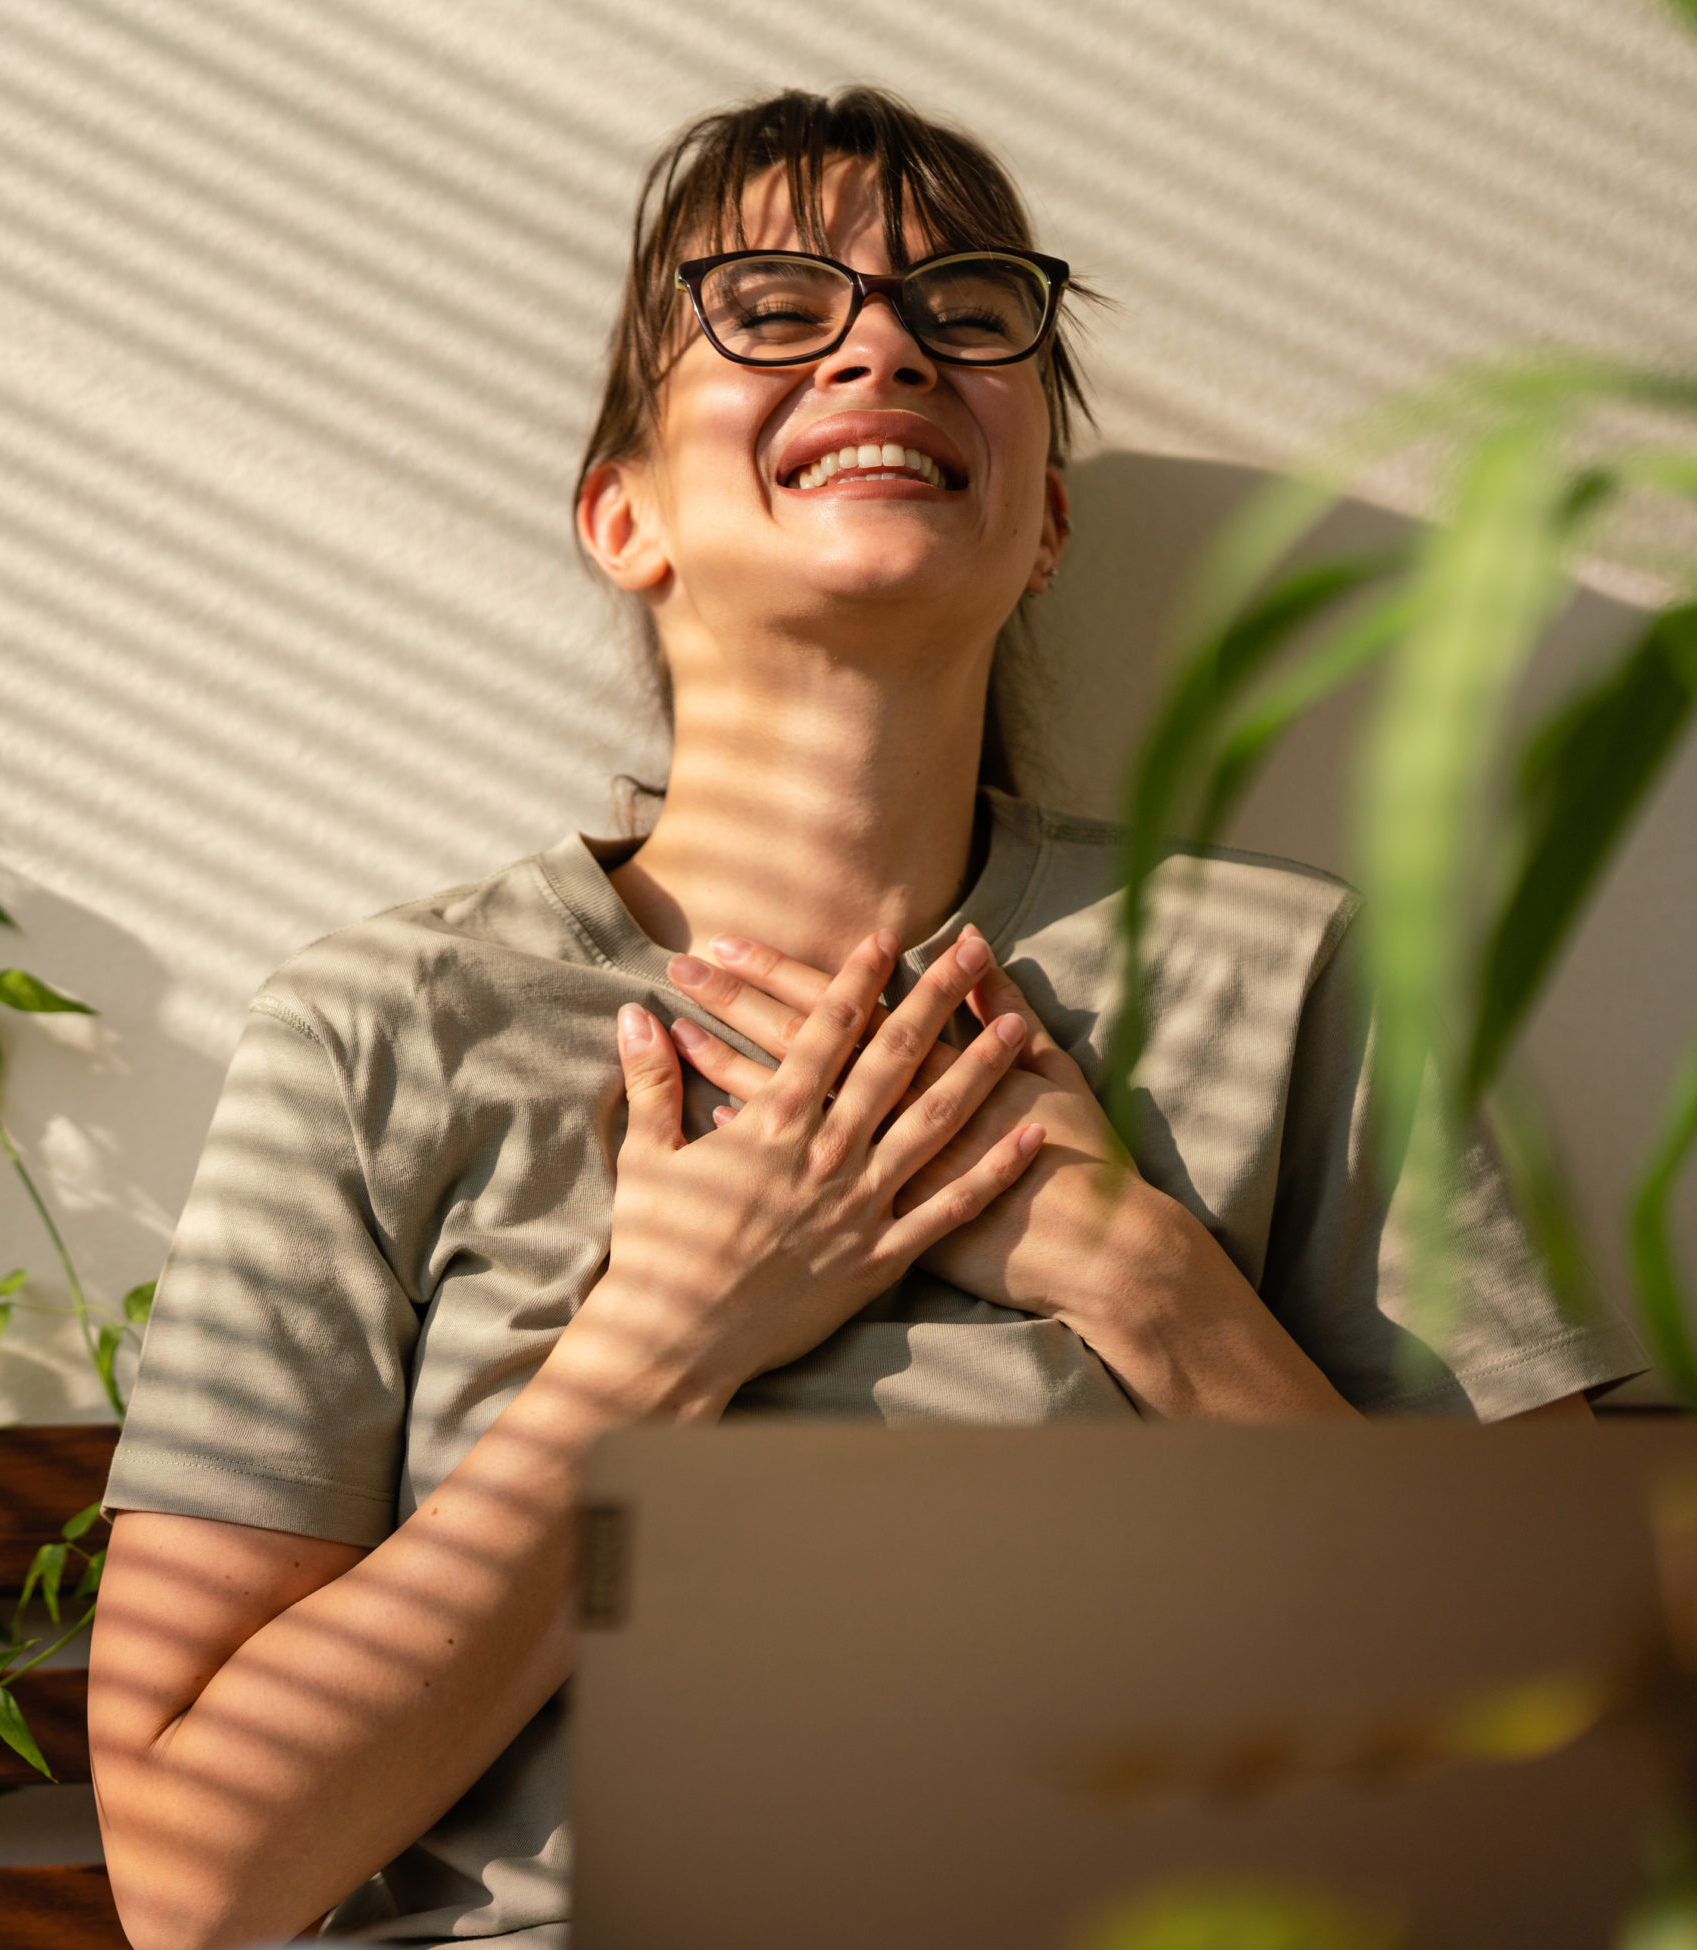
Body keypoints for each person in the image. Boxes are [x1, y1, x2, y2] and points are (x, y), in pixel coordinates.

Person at [82, 86, 1645, 1950]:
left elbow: (1597, 1733)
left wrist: (1147, 1277)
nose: (885, 344)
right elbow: (193, 1875)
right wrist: (659, 1345)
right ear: (624, 513)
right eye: (770, 304)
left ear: (1045, 516)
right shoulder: (388, 1026)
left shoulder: (1281, 978)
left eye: (967, 309)